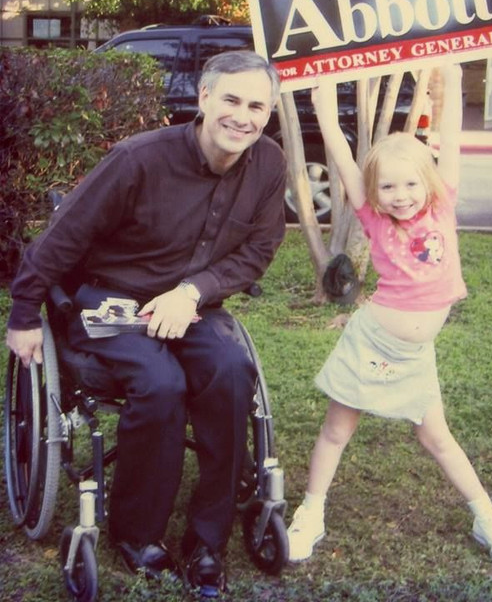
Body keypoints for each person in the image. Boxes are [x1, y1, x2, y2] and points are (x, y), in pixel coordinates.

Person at [6, 50, 287, 596]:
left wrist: (193, 291)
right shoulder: (138, 159)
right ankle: (136, 534)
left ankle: (208, 542)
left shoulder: (269, 163)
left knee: (231, 371)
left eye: (257, 106)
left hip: (191, 304)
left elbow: (260, 248)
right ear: (203, 98)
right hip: (109, 300)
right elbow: (60, 241)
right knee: (160, 384)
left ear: (269, 112)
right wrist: (23, 315)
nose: (243, 116)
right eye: (231, 99)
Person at [287, 62, 492, 568]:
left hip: (415, 352)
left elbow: (451, 133)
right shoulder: (372, 214)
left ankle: (488, 518)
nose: (400, 196)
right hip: (371, 342)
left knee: (435, 436)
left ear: (429, 182)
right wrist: (324, 100)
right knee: (337, 430)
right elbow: (337, 145)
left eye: (409, 185)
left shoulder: (443, 205)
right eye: (389, 188)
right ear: (375, 194)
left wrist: (453, 79)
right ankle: (311, 512)